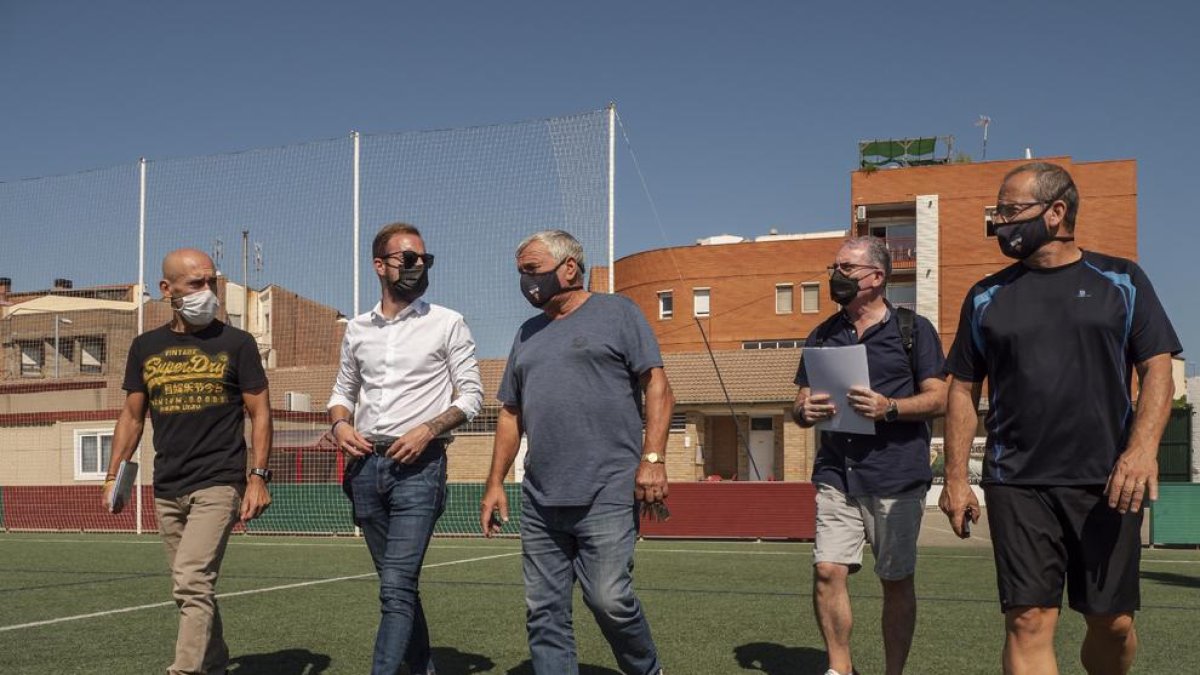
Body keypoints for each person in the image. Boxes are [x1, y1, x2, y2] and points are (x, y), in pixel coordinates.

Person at [939, 162, 1181, 675]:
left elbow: (1158, 369)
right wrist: (956, 478)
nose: (999, 222)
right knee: (1027, 620)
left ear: (1056, 212)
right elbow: (962, 387)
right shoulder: (985, 296)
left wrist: (1141, 451)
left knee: (1110, 622)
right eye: (998, 211)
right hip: (1017, 481)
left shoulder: (1122, 279)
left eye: (1010, 210)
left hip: (1108, 481)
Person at [479, 229, 674, 675]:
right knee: (544, 610)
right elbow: (510, 412)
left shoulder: (618, 312)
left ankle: (647, 670)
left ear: (569, 267)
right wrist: (494, 483)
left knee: (609, 598)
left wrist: (653, 460)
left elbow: (659, 386)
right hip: (540, 497)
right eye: (521, 274)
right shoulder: (527, 333)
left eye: (533, 271)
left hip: (606, 488)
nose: (526, 282)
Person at [103, 248, 273, 675]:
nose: (208, 292)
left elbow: (260, 413)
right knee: (188, 589)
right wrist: (112, 475)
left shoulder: (237, 343)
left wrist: (257, 477)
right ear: (167, 289)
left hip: (218, 482)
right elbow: (132, 415)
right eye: (197, 284)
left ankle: (185, 670)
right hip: (167, 486)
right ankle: (214, 662)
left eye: (211, 282)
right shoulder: (146, 346)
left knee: (192, 581)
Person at [328, 222, 482, 675]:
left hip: (420, 469)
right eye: (409, 259)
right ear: (380, 265)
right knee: (400, 588)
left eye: (424, 260)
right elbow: (342, 392)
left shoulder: (447, 323)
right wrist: (339, 425)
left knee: (395, 588)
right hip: (364, 469)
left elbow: (471, 397)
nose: (419, 267)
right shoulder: (357, 329)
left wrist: (427, 430)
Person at [792, 236, 947, 675]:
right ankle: (840, 670)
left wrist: (891, 408)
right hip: (836, 473)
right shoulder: (822, 334)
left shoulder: (913, 331)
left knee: (895, 581)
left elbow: (939, 398)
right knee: (827, 571)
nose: (835, 276)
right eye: (834, 268)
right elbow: (801, 403)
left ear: (876, 278)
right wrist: (805, 410)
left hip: (895, 476)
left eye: (846, 268)